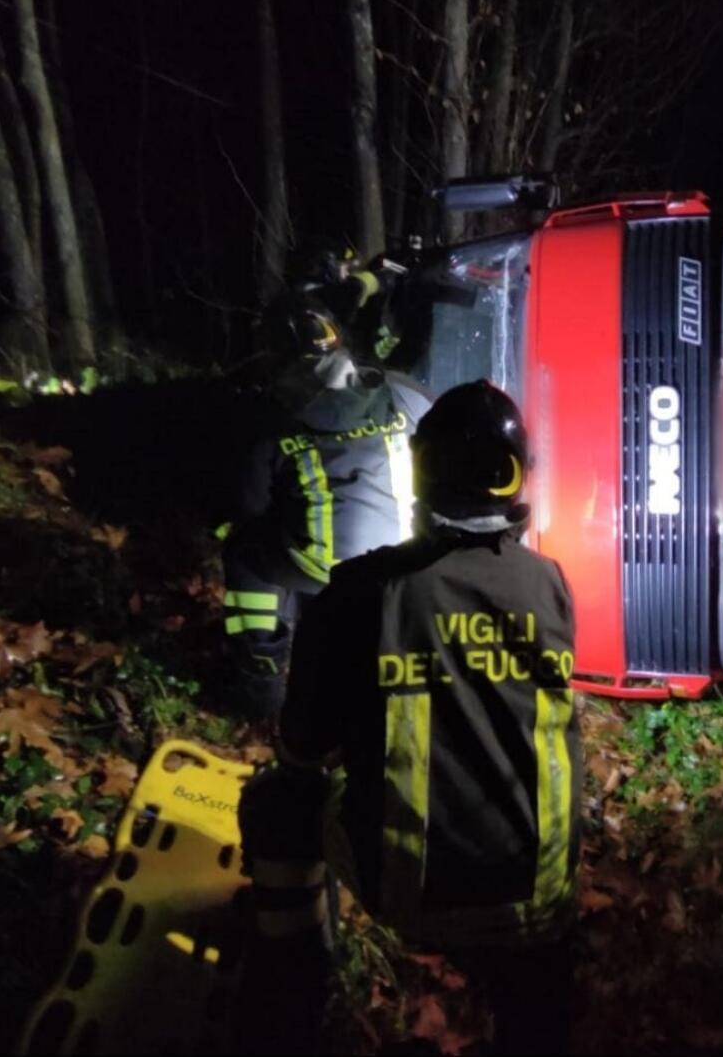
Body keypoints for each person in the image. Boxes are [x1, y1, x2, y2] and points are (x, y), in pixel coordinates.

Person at [235, 381, 581, 1055]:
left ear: (422, 471)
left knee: (280, 801)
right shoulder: (551, 585)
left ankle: (298, 983)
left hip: (411, 894)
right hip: (538, 904)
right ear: (512, 481)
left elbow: (304, 745)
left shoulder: (363, 589)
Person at [221, 294, 429, 719]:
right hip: (407, 562)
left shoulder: (272, 420)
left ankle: (261, 680)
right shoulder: (406, 394)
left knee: (244, 549)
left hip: (323, 570)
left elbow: (249, 505)